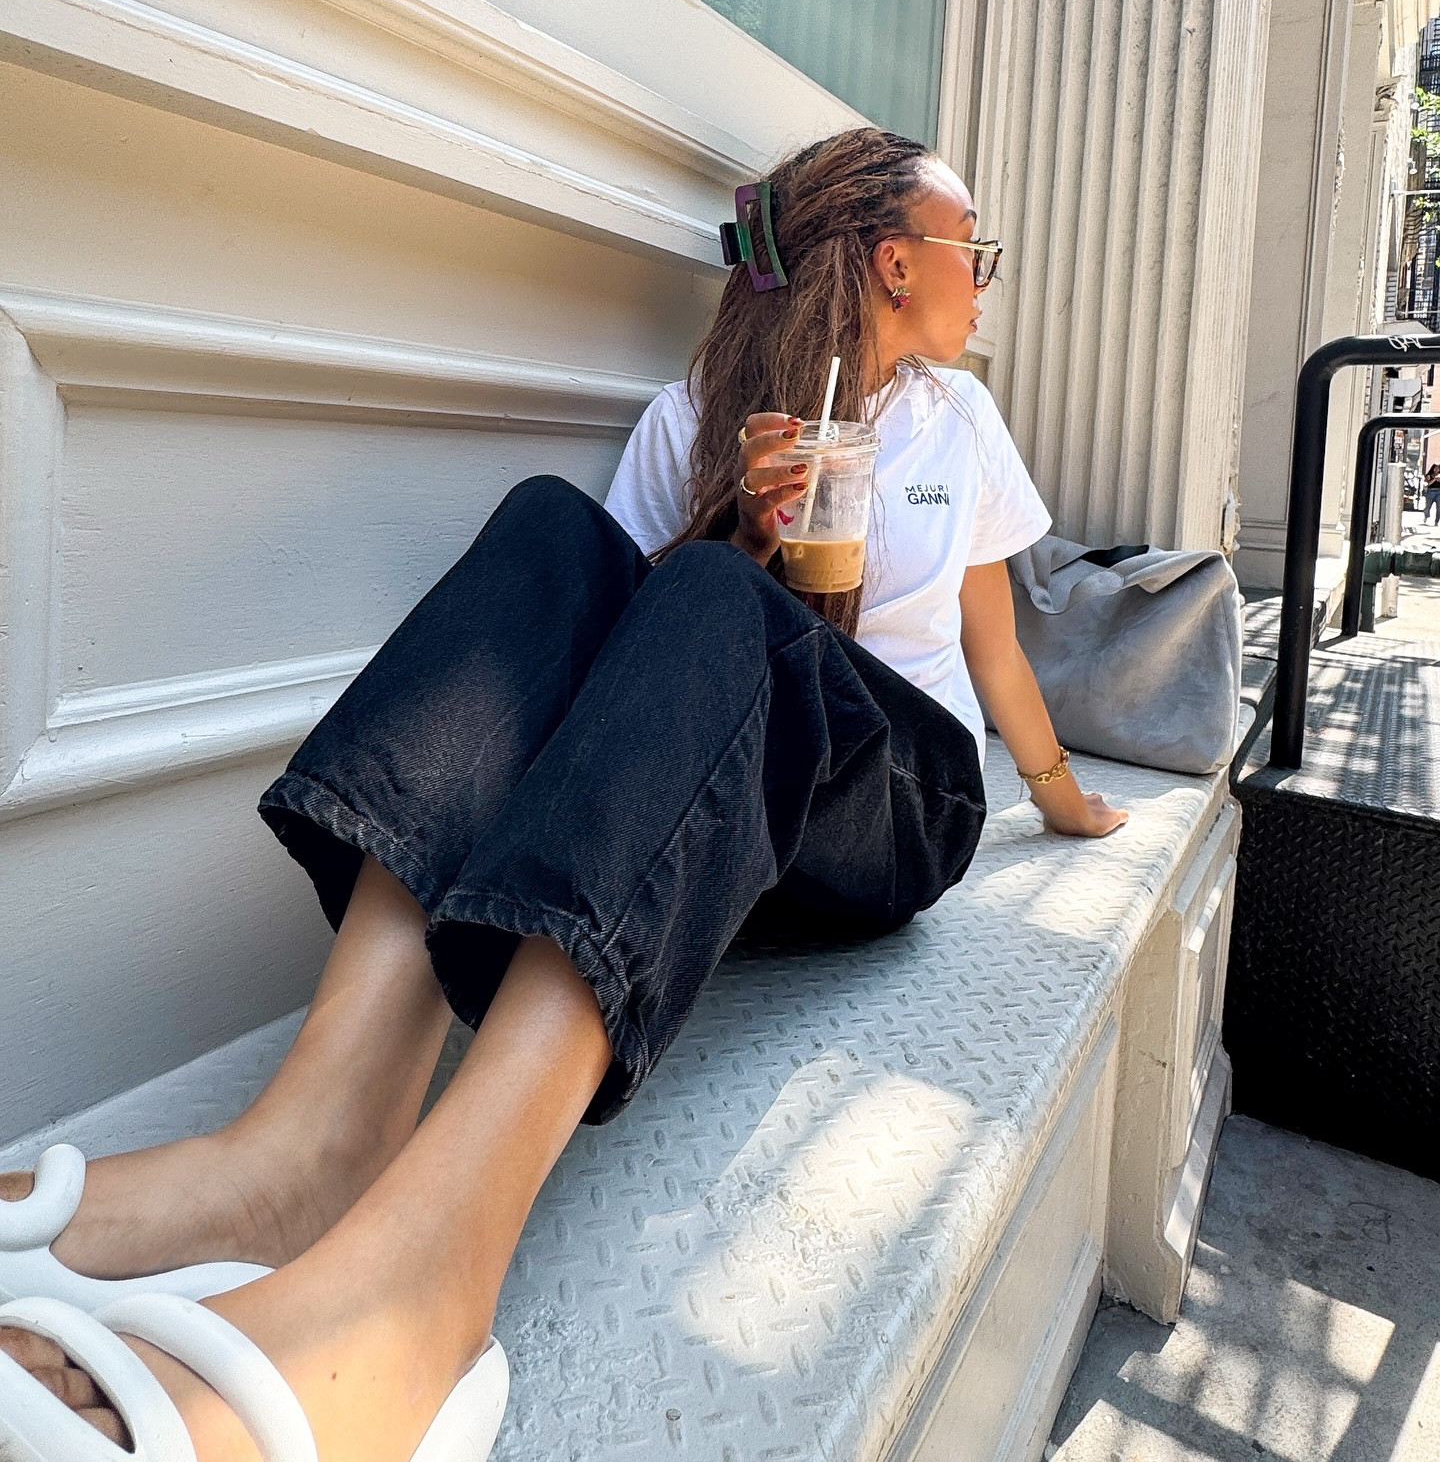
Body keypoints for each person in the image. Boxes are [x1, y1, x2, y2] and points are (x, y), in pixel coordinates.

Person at [0, 129, 1126, 1461]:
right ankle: (299, 1154)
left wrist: (1059, 793)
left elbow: (990, 642)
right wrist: (744, 530)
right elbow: (619, 679)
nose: (982, 279)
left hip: (901, 793)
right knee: (557, 531)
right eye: (971, 251)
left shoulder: (959, 421)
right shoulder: (691, 419)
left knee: (712, 598)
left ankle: (418, 1290)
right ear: (896, 265)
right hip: (720, 830)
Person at [1425, 462, 1440, 527]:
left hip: (1439, 492)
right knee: (1428, 506)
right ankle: (1426, 516)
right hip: (1431, 491)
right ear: (1433, 469)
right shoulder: (1429, 475)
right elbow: (1428, 484)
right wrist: (1434, 479)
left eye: (1438, 469)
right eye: (1435, 468)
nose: (1436, 470)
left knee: (1439, 508)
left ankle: (1436, 521)